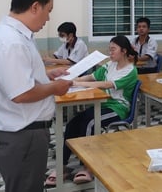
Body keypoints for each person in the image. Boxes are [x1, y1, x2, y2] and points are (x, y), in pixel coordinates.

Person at [0, 0, 72, 192]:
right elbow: (21, 94)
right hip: (23, 136)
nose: (48, 18)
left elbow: (21, 78)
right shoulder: (11, 41)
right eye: (48, 11)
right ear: (34, 7)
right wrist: (55, 88)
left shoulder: (16, 36)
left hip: (24, 134)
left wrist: (48, 76)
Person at [45, 35, 138, 186]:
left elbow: (106, 84)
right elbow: (92, 77)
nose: (110, 53)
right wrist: (70, 81)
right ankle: (62, 166)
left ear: (124, 51)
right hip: (102, 104)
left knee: (90, 124)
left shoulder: (130, 71)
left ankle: (88, 167)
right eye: (109, 49)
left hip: (117, 108)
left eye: (113, 49)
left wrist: (76, 83)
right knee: (73, 124)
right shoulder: (110, 65)